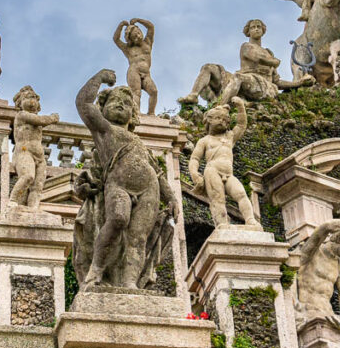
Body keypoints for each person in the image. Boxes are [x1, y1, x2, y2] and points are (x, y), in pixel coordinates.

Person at [74, 69, 178, 290]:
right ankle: (96, 271)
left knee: (138, 237)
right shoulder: (105, 130)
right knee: (118, 219)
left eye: (127, 103)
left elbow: (157, 173)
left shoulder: (139, 143)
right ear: (103, 108)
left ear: (133, 115)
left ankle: (130, 283)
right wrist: (99, 78)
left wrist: (171, 198)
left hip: (149, 187)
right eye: (115, 101)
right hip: (118, 184)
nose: (121, 105)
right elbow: (83, 104)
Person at [177, 19, 311, 105]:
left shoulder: (269, 52)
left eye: (259, 27)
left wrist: (298, 83)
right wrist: (274, 62)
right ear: (248, 32)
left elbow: (277, 82)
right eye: (253, 27)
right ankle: (194, 95)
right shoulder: (246, 47)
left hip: (263, 86)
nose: (256, 29)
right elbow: (258, 58)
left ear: (263, 31)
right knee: (209, 67)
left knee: (238, 77)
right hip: (242, 80)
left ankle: (220, 107)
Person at [188, 97, 259, 228]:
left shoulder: (230, 137)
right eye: (218, 118)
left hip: (229, 173)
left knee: (241, 194)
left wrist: (241, 107)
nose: (222, 121)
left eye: (225, 120)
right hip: (212, 171)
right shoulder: (205, 140)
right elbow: (195, 159)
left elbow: (241, 125)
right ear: (209, 120)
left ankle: (250, 220)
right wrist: (194, 174)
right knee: (217, 198)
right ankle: (222, 223)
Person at [294, 219, 340, 329]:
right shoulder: (313, 252)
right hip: (308, 310)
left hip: (328, 312)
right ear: (338, 240)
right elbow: (323, 229)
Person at [9, 86, 59, 209]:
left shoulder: (33, 117)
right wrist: (52, 118)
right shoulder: (21, 115)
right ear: (20, 103)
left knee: (38, 186)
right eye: (28, 98)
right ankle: (12, 200)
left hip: (39, 156)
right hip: (24, 152)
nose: (32, 101)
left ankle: (33, 209)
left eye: (34, 98)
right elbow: (40, 120)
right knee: (28, 176)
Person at [112, 18, 158, 116]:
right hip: (134, 71)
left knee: (154, 91)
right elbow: (116, 39)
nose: (138, 36)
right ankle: (137, 113)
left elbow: (151, 27)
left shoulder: (148, 42)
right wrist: (120, 26)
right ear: (131, 40)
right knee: (136, 93)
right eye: (135, 36)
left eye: (138, 33)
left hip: (146, 74)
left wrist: (138, 20)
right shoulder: (128, 48)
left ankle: (151, 113)